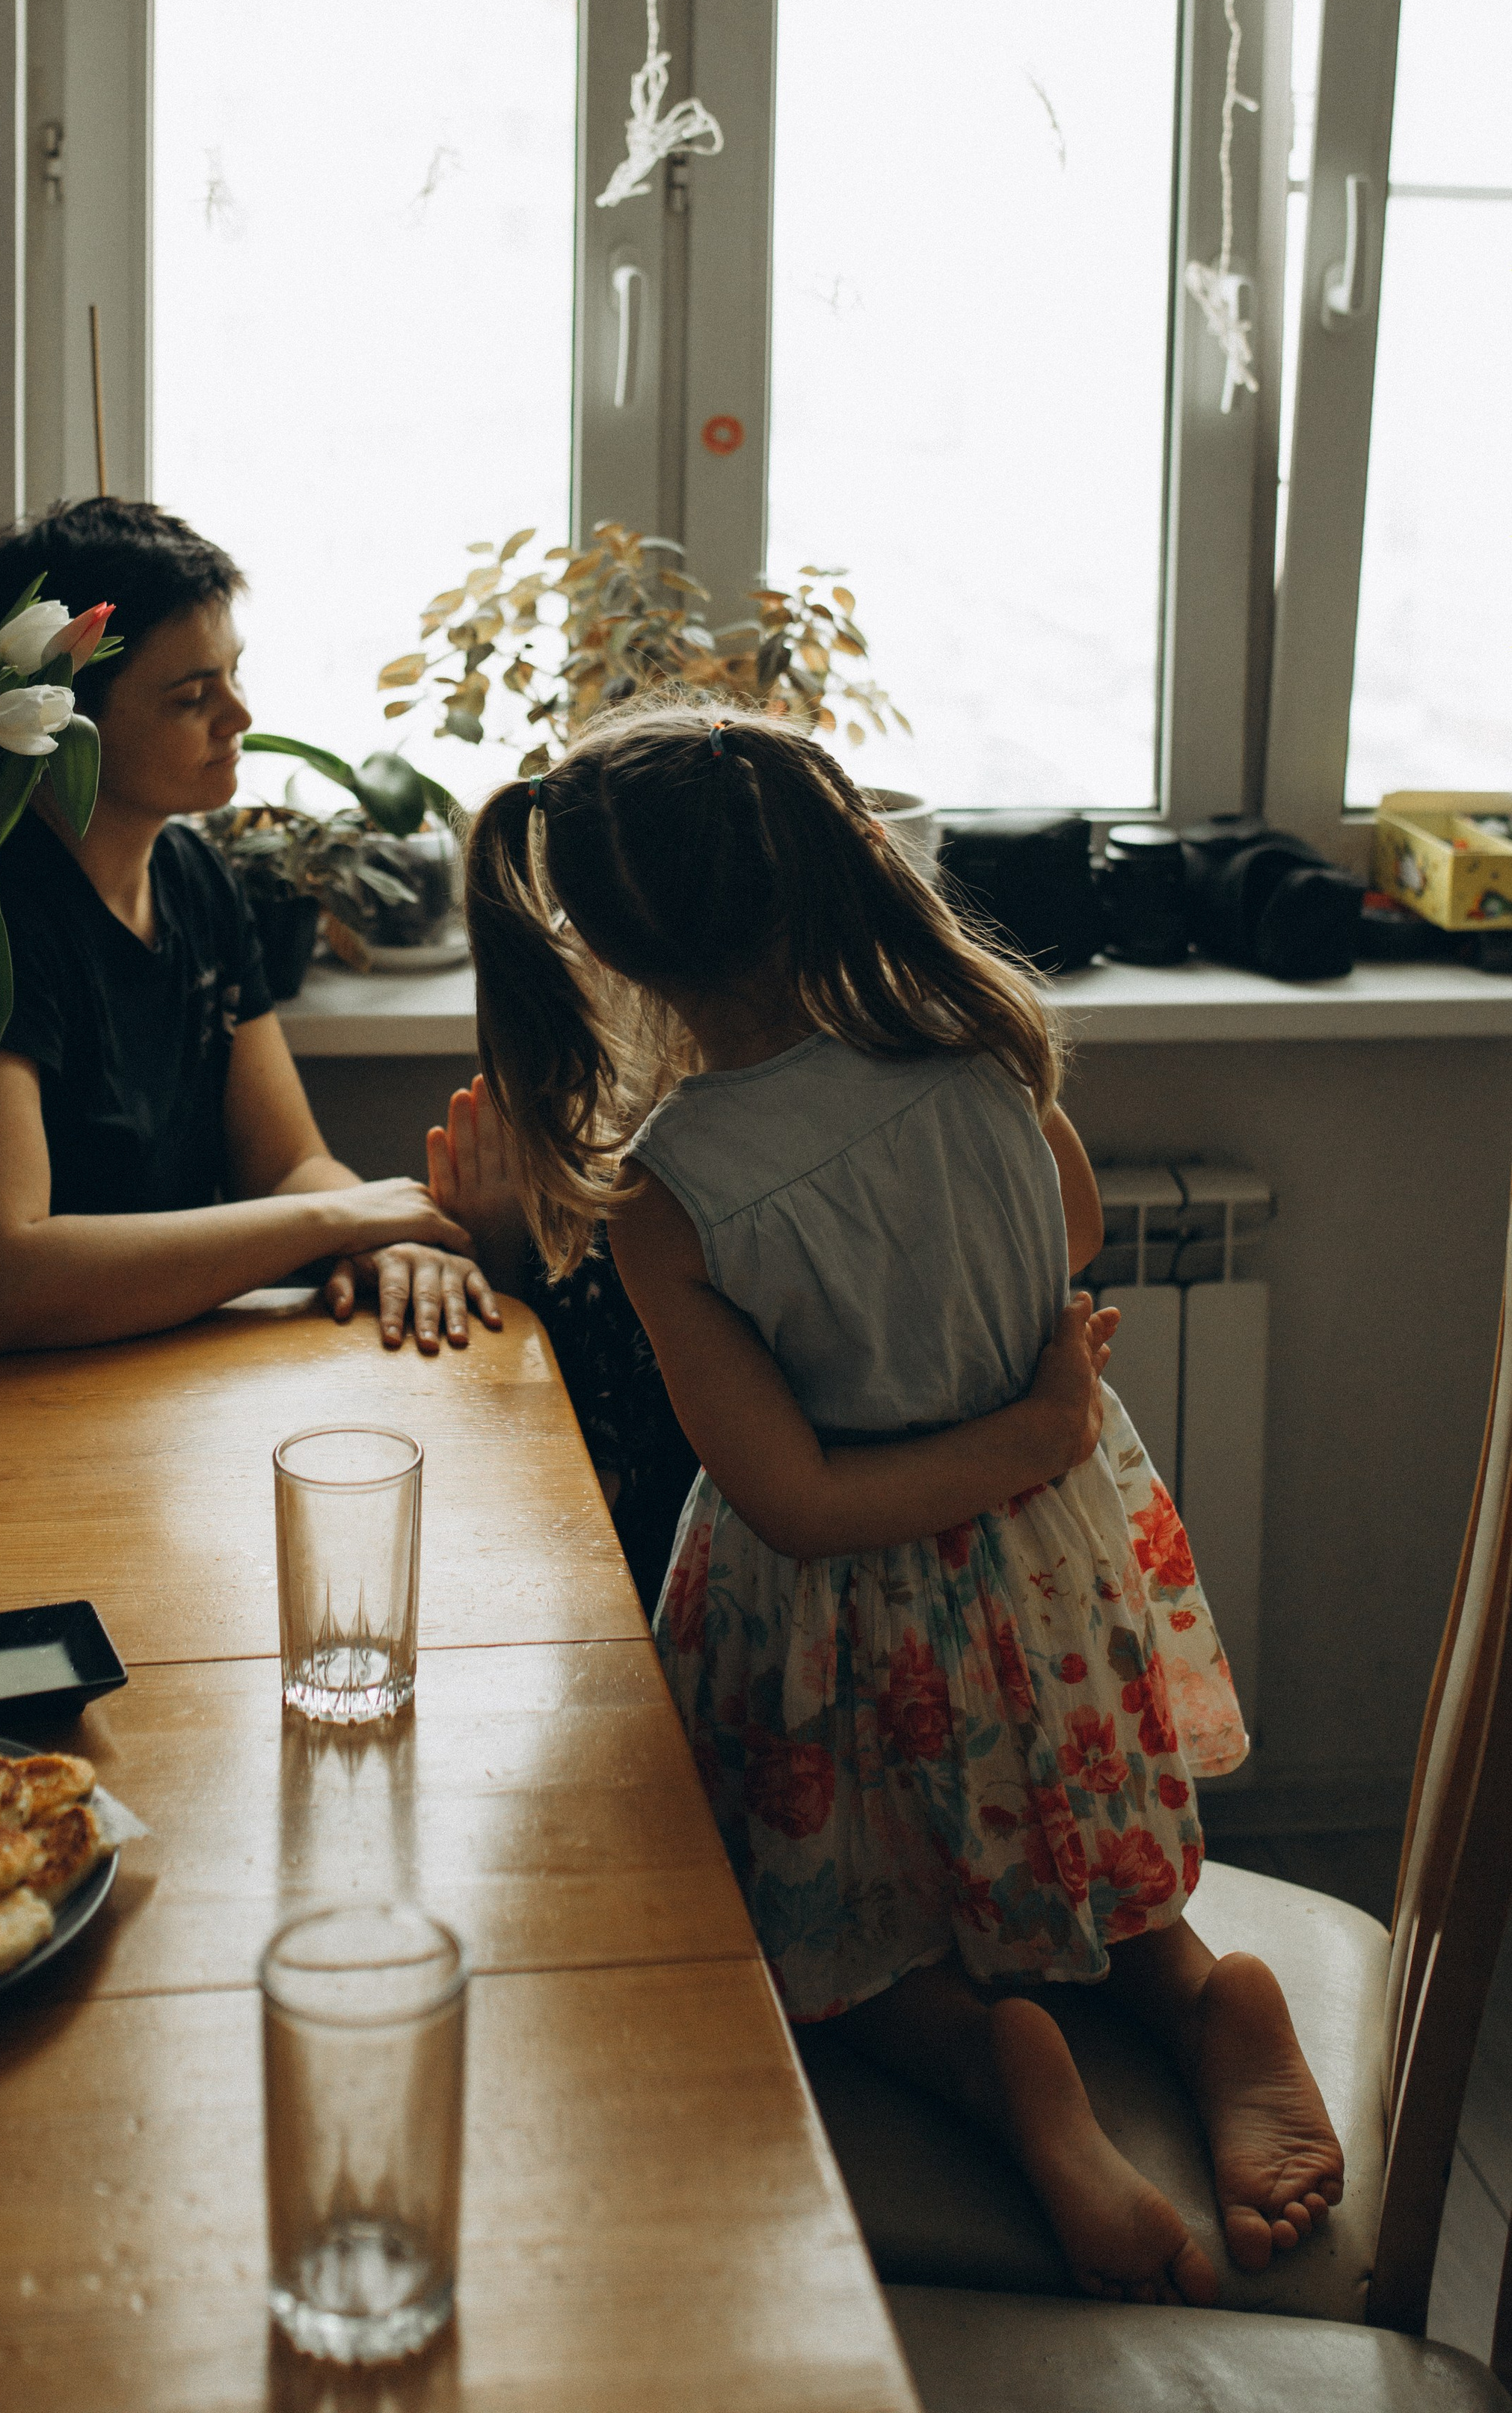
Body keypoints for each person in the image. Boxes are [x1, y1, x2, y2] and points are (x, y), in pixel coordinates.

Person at [461, 698, 1343, 2308]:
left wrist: (1006, 1433)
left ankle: (986, 2062)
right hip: (1044, 1566)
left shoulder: (668, 1191)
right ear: (834, 866)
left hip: (837, 1624)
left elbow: (789, 1502)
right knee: (1080, 1861)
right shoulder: (979, 1053)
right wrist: (1029, 1436)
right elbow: (1070, 1229)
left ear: (605, 944)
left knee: (828, 1940)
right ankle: (1194, 1995)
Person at [0, 497, 499, 1357]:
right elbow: (0, 1286)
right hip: (24, 1395)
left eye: (234, 675)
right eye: (191, 697)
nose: (238, 717)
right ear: (62, 722)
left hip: (177, 1359)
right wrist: (333, 1217)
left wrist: (382, 1238)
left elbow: (286, 1166)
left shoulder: (195, 876)